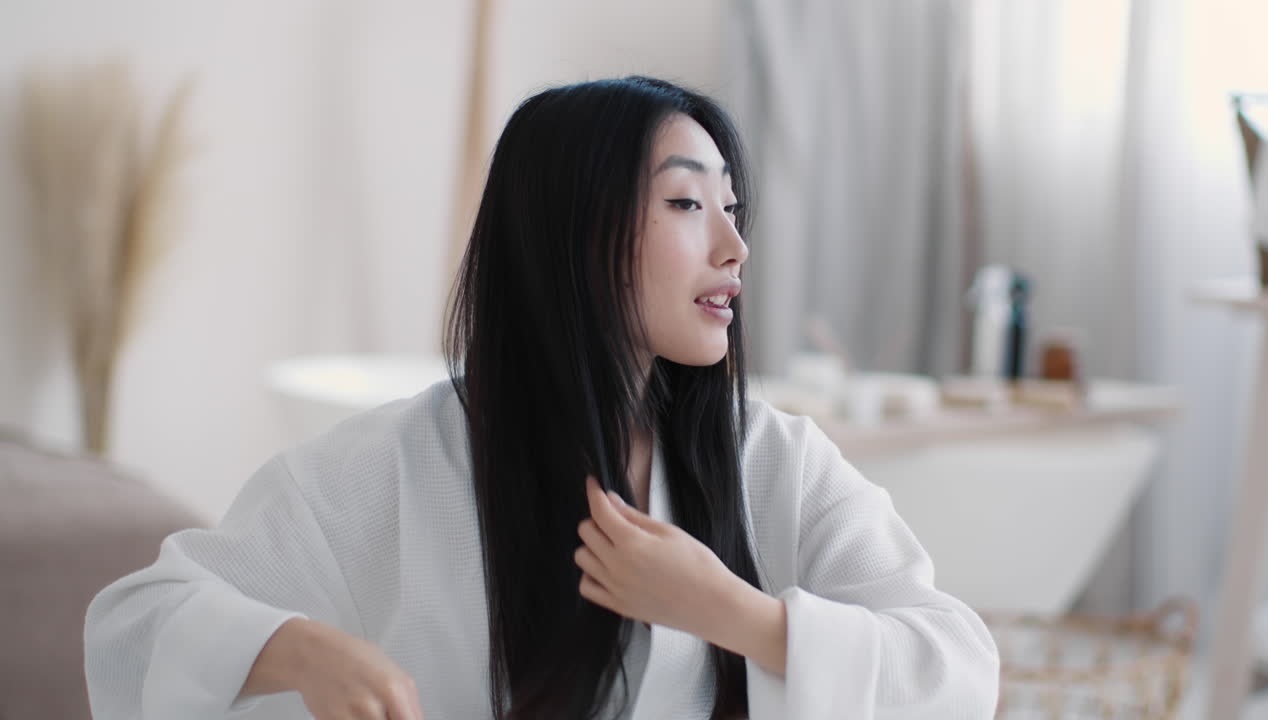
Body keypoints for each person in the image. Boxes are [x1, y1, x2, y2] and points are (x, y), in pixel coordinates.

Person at [84, 76, 999, 720]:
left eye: (734, 206)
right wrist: (300, 647)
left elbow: (960, 671)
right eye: (687, 204)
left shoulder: (773, 458)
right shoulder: (398, 466)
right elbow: (134, 625)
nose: (735, 245)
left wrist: (736, 614)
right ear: (574, 230)